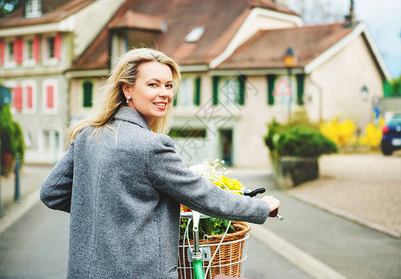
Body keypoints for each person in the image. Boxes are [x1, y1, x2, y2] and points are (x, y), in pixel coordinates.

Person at [40, 48, 280, 279]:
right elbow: (202, 195)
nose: (164, 93)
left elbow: (51, 192)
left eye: (169, 85)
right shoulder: (151, 146)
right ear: (127, 90)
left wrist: (107, 214)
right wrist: (262, 207)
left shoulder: (88, 134)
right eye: (153, 84)